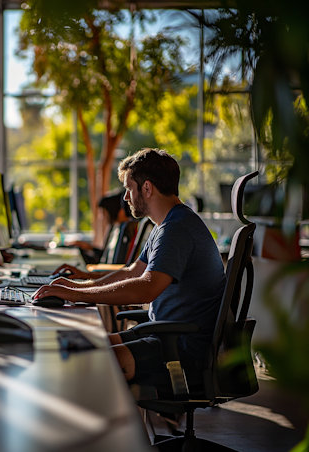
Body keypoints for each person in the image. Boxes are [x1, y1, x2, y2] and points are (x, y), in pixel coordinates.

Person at [33, 148, 226, 387]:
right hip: (163, 335)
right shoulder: (168, 224)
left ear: (147, 188)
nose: (125, 197)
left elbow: (146, 288)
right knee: (74, 346)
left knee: (78, 361)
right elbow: (132, 271)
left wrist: (76, 294)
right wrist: (79, 285)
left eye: (128, 188)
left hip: (181, 351)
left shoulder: (177, 229)